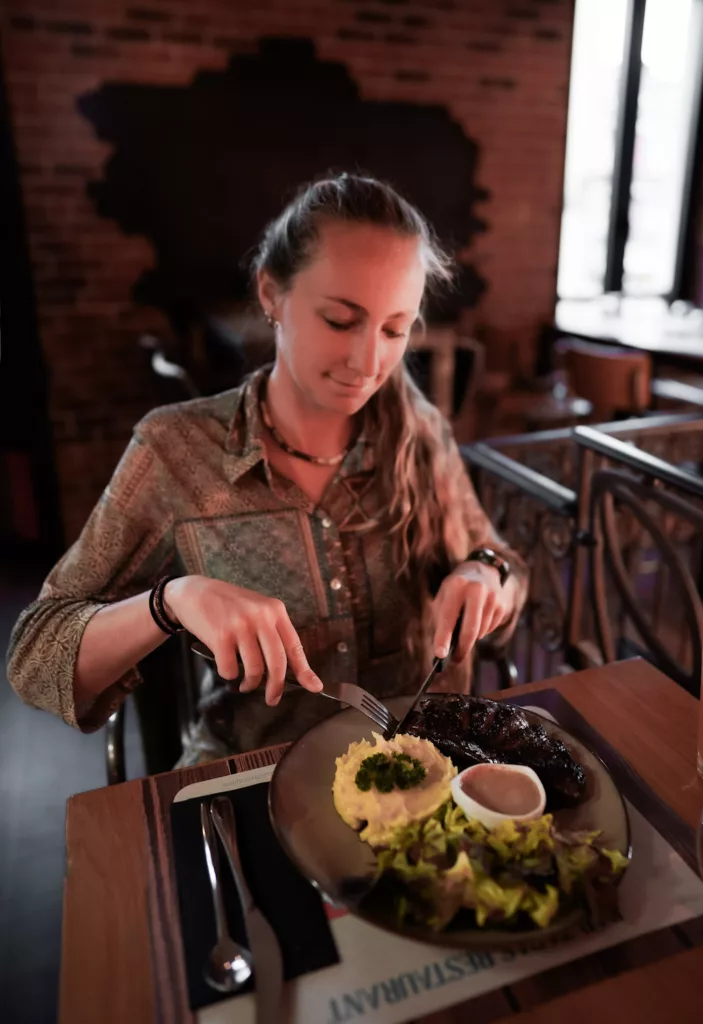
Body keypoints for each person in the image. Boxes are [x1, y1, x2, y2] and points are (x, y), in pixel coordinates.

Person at [7, 173, 528, 766]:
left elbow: (503, 564)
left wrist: (485, 574)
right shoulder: (178, 449)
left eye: (394, 329)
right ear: (271, 295)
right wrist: (170, 602)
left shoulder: (420, 430)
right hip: (256, 772)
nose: (370, 362)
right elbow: (35, 661)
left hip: (419, 767)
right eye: (340, 321)